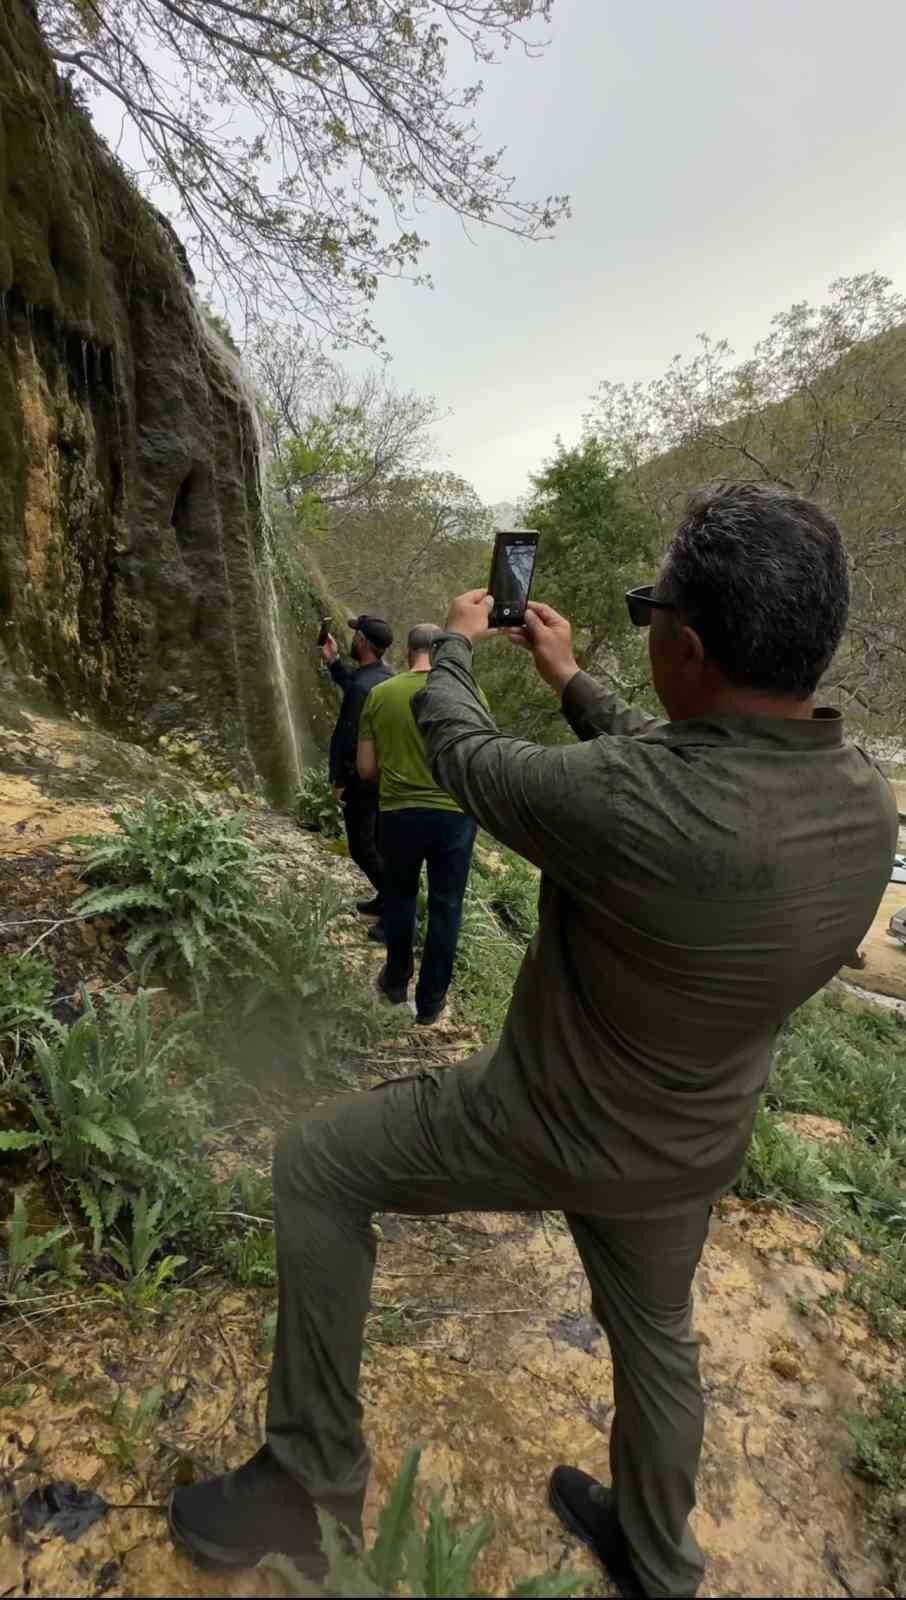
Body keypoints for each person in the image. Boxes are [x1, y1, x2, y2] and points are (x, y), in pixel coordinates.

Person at [169, 483, 897, 1599]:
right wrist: (567, 677)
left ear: (689, 645)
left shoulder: (631, 800)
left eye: (654, 613)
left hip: (544, 1120)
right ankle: (657, 1555)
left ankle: (308, 1485)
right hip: (692, 1145)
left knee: (316, 1166)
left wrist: (458, 650)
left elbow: (467, 758)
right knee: (659, 1343)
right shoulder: (861, 798)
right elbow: (691, 764)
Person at [356, 623, 485, 1025]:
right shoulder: (469, 694)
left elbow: (366, 769)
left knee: (401, 898)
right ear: (441, 651)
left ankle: (395, 983)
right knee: (447, 906)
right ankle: (430, 1004)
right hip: (454, 816)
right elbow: (479, 757)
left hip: (399, 814)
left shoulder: (381, 694)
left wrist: (399, 780)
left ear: (411, 651)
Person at [322, 614, 394, 935]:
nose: (352, 640)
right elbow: (353, 684)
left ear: (363, 641)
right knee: (378, 844)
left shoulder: (365, 686)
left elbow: (347, 738)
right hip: (383, 776)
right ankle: (386, 900)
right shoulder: (384, 677)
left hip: (360, 778)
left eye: (355, 636)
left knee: (362, 848)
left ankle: (395, 911)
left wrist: (338, 780)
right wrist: (334, 660)